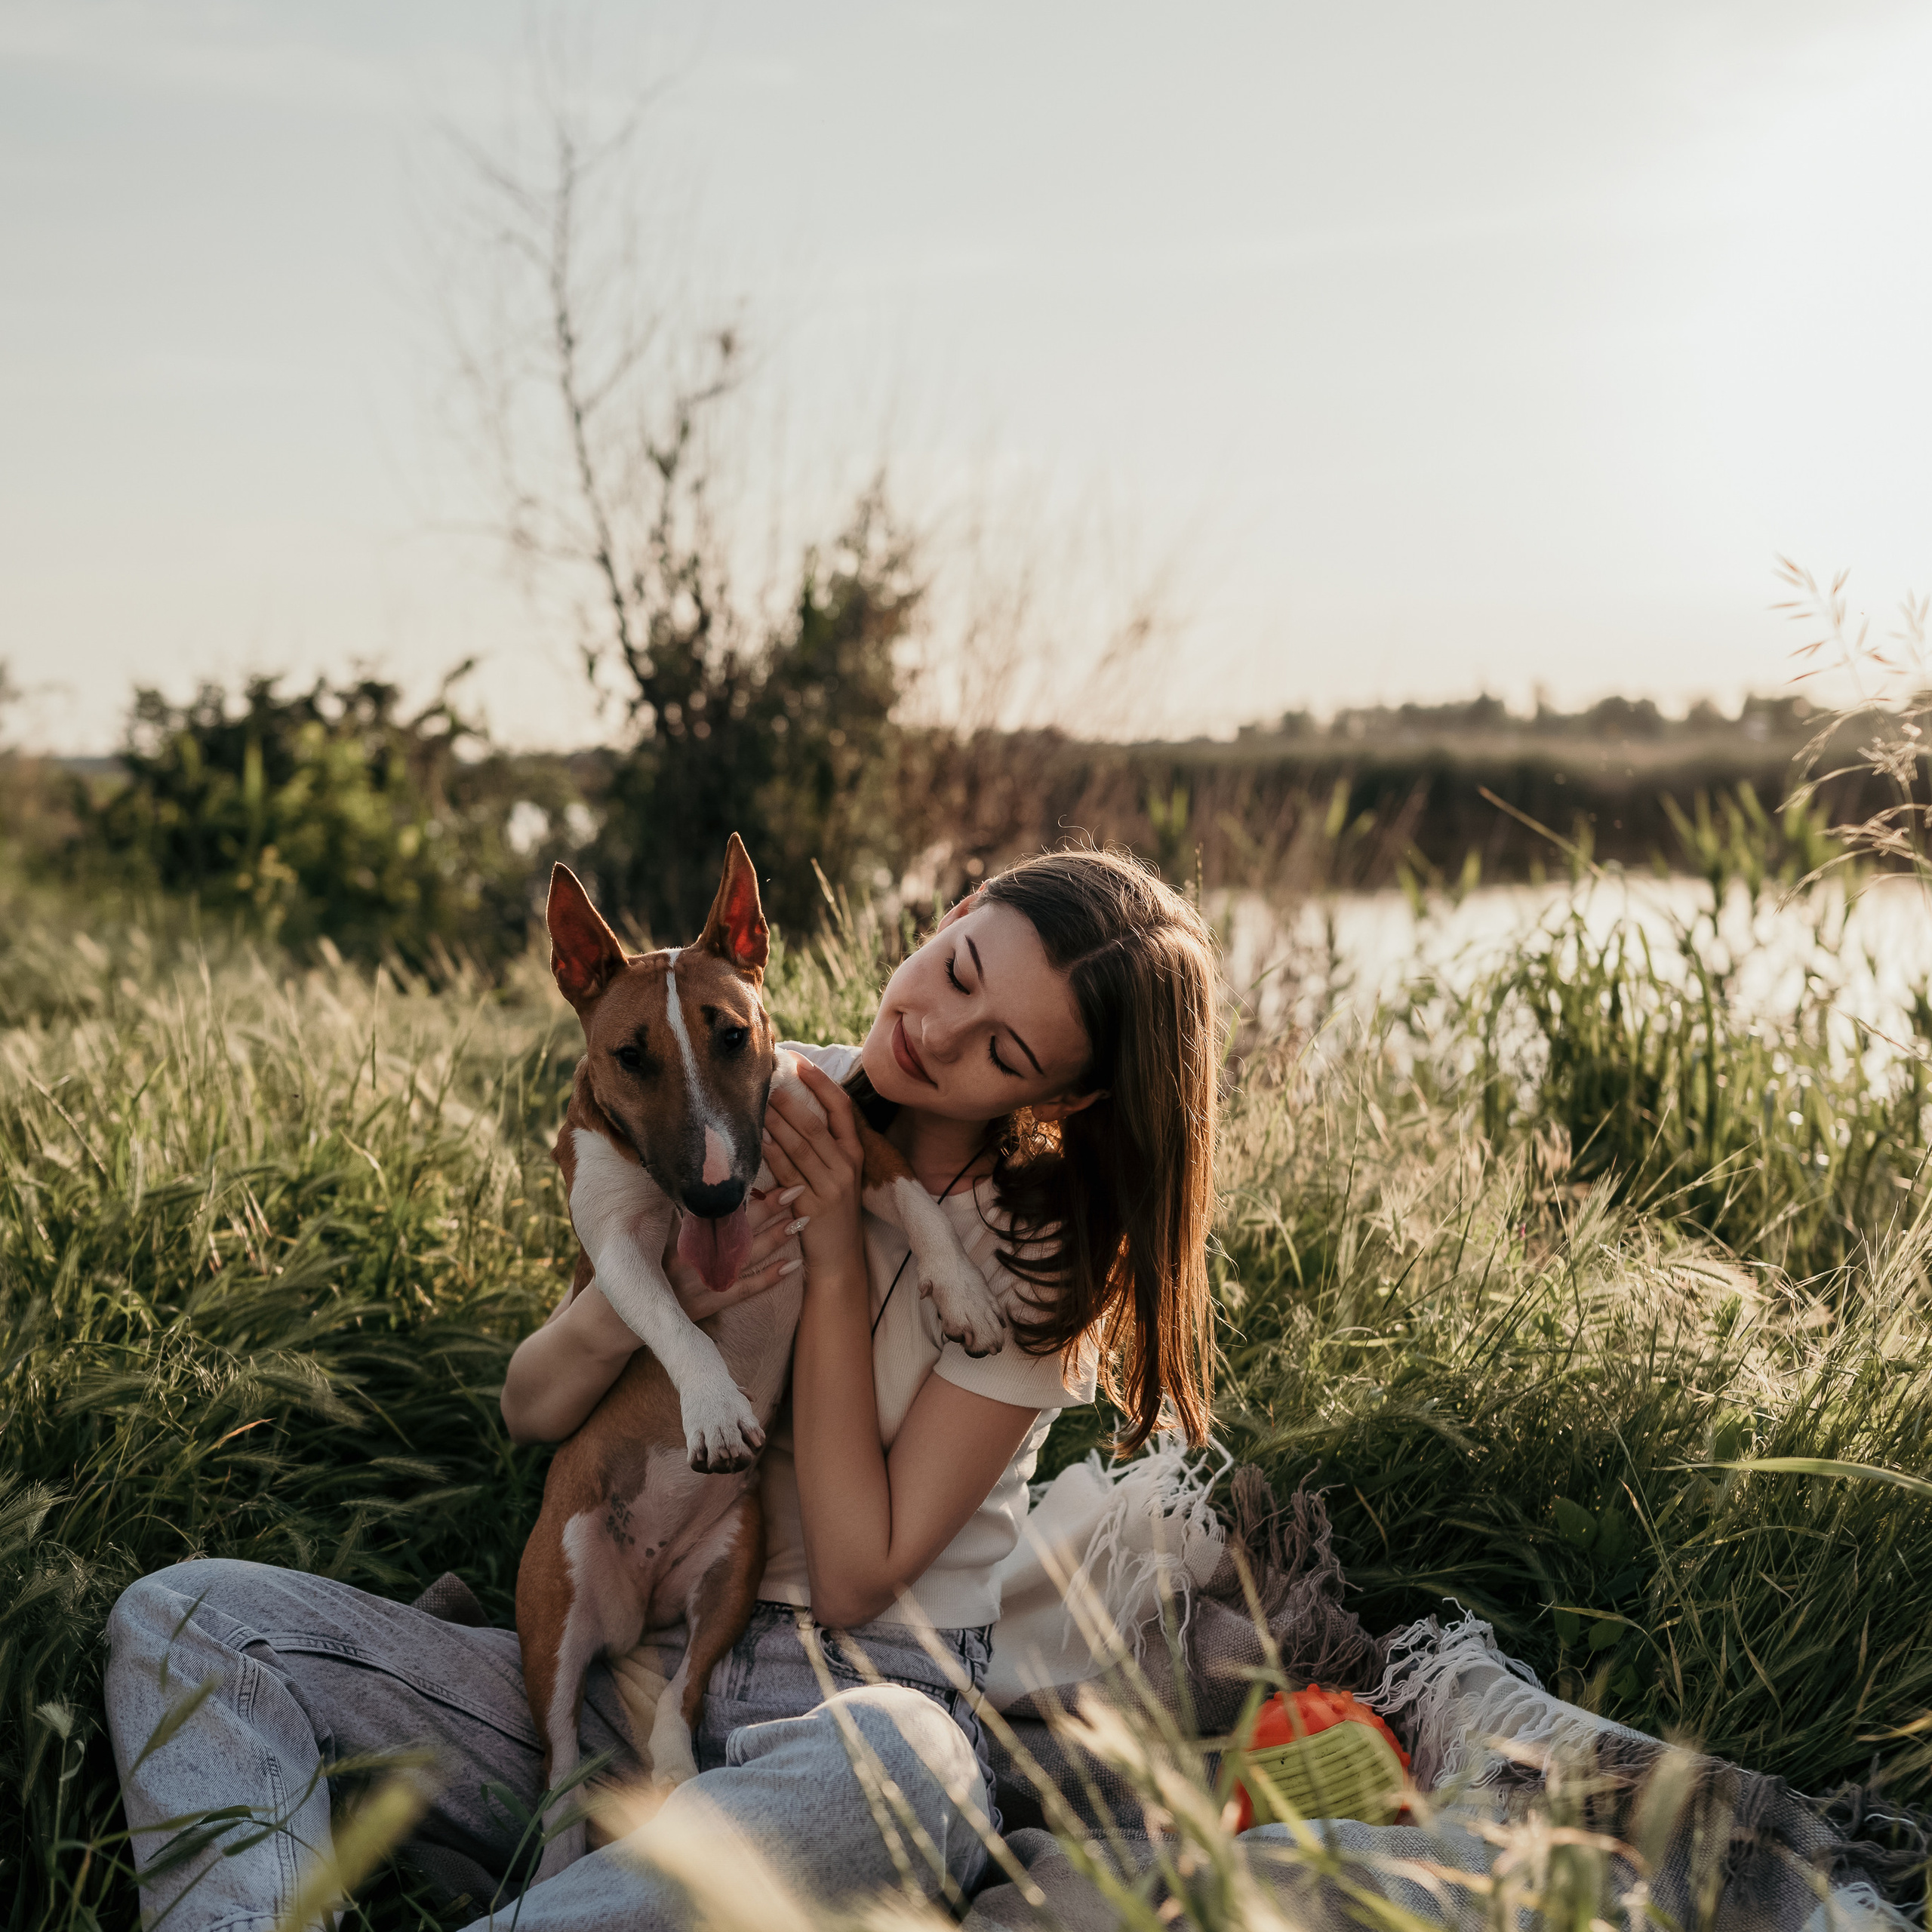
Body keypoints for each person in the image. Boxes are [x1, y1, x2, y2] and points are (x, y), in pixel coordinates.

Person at [105, 848, 1220, 1931]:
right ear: (956, 909)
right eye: (958, 969)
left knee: (906, 1772)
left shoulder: (1038, 1266)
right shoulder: (739, 1082)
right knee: (187, 1617)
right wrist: (647, 1293)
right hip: (623, 1681)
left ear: (1065, 1095)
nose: (935, 1030)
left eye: (1003, 1050)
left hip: (851, 1713)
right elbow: (531, 1412)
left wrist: (833, 1254)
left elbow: (852, 1576)